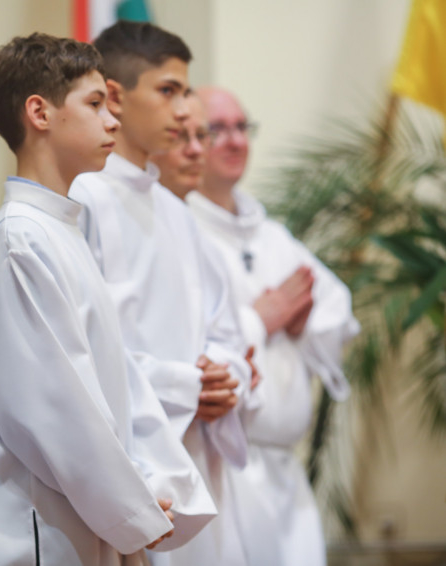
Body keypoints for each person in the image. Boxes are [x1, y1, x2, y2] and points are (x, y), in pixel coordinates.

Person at [0, 32, 215, 566]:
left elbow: (113, 379)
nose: (112, 120)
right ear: (39, 113)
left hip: (81, 514)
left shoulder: (59, 229)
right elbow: (53, 409)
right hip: (35, 527)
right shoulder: (21, 240)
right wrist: (130, 509)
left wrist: (150, 483)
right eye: (95, 104)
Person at [69, 21, 260, 566]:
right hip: (129, 463)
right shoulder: (85, 198)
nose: (183, 110)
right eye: (168, 91)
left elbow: (224, 329)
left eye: (185, 91)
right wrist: (188, 385)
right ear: (115, 98)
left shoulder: (178, 214)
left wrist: (227, 375)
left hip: (197, 449)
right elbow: (82, 346)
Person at [188, 86, 360, 566]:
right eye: (218, 129)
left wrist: (299, 323)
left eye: (242, 127)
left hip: (284, 471)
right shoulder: (184, 232)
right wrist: (260, 320)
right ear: (190, 138)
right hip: (222, 469)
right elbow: (181, 346)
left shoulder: (272, 236)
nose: (235, 140)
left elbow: (337, 309)